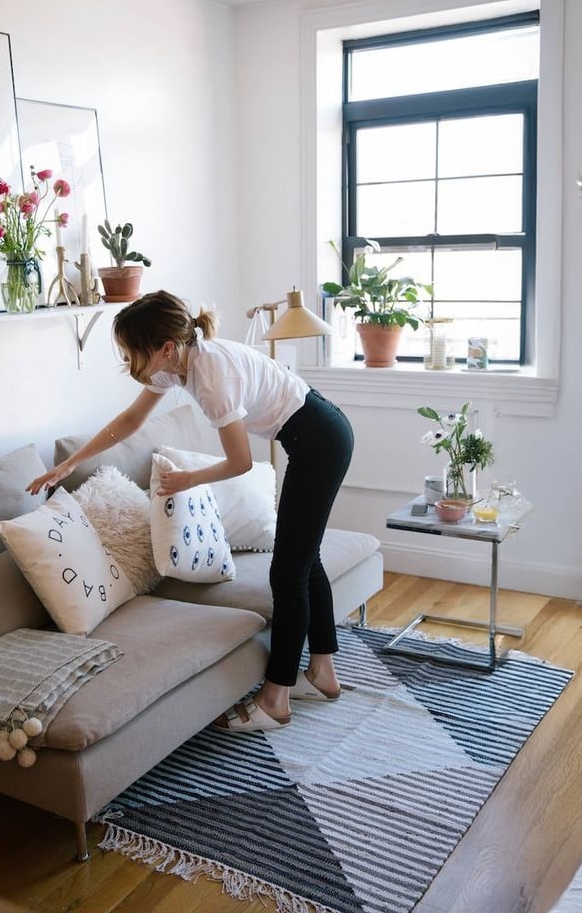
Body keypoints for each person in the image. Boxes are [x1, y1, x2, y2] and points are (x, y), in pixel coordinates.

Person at [27, 290, 354, 733]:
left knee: (287, 573)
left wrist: (187, 480)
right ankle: (323, 674)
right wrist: (69, 463)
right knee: (303, 556)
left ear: (163, 348)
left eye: (130, 351)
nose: (126, 361)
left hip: (320, 440)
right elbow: (128, 422)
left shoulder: (212, 376)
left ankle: (276, 698)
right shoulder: (176, 365)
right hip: (313, 435)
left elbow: (239, 463)